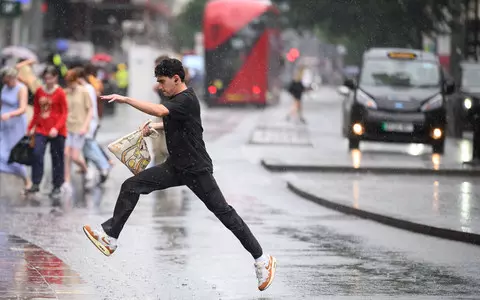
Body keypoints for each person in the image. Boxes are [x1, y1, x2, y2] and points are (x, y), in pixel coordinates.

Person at [83, 58, 276, 291]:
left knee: (225, 213)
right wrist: (154, 127)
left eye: (163, 82)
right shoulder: (177, 100)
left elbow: (162, 111)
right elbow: (175, 121)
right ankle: (111, 238)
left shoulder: (185, 99)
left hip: (196, 169)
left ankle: (262, 259)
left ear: (177, 78)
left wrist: (125, 99)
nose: (160, 87)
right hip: (175, 167)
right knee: (131, 185)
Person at [26, 66, 68, 199]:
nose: (48, 80)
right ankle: (36, 182)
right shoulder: (39, 91)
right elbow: (37, 110)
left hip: (57, 130)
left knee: (57, 157)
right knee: (37, 153)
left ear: (55, 78)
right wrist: (31, 127)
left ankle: (57, 185)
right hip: (41, 128)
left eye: (51, 78)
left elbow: (64, 112)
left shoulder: (60, 92)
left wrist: (56, 127)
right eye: (46, 78)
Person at [0, 67, 31, 191]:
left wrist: (10, 114)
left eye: (8, 81)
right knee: (1, 152)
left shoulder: (21, 88)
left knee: (14, 155)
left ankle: (26, 180)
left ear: (13, 78)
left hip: (16, 123)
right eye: (5, 81)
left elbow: (23, 108)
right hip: (3, 123)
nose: (7, 83)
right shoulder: (5, 87)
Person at [64, 69, 92, 184]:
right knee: (66, 154)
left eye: (71, 81)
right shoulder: (65, 92)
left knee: (75, 157)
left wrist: (85, 126)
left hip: (79, 127)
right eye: (68, 82)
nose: (70, 84)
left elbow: (90, 109)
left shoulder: (83, 91)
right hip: (67, 126)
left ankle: (85, 169)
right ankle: (66, 180)